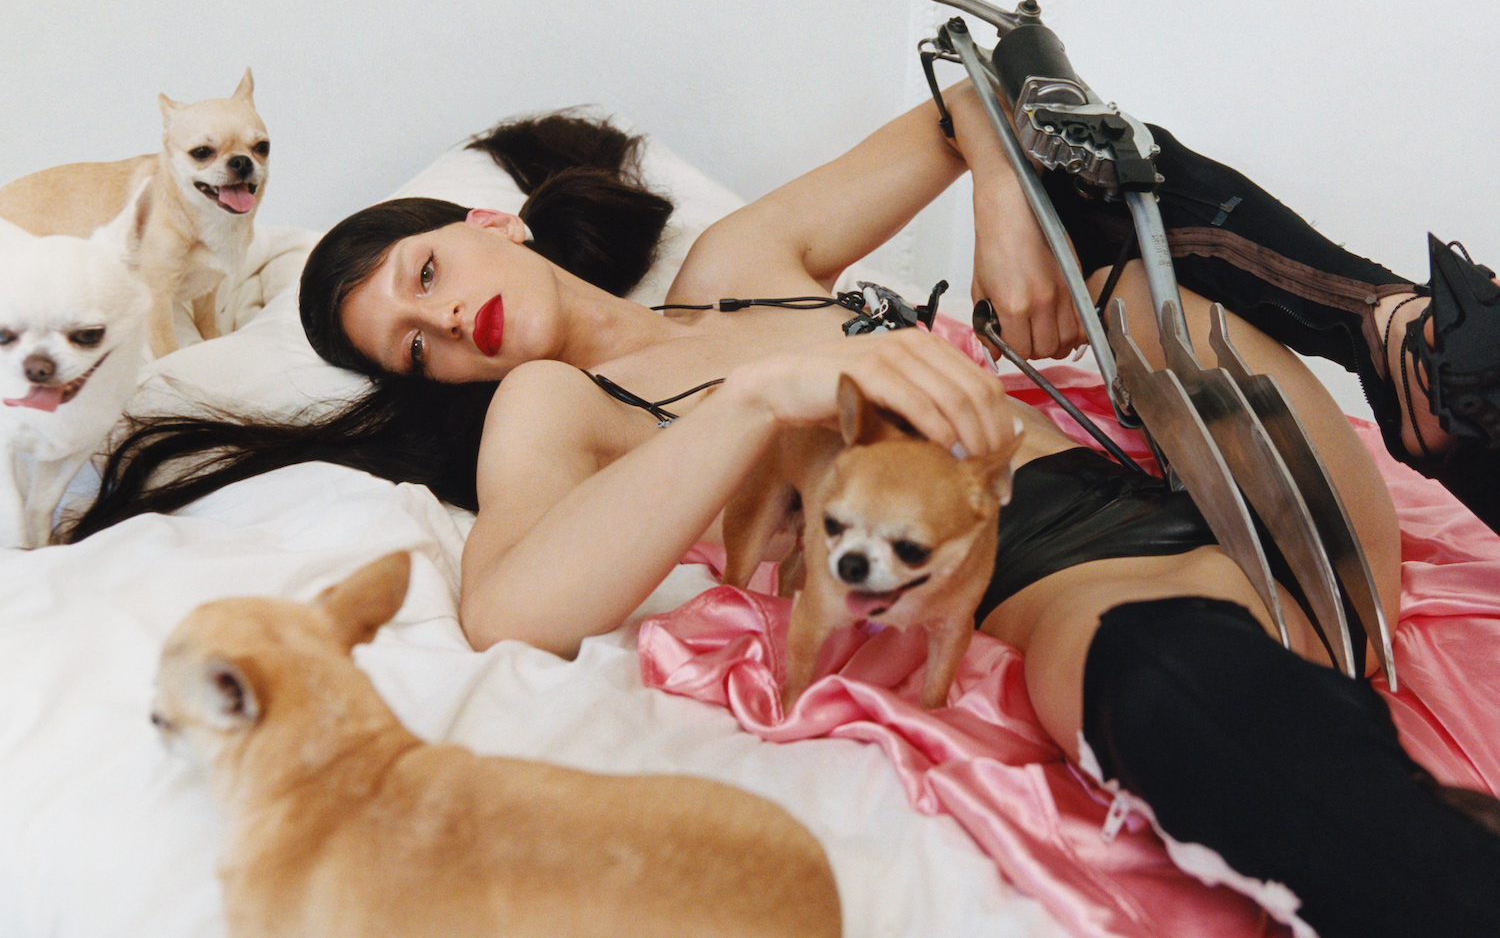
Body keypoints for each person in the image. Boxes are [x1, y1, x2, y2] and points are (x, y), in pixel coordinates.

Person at [68, 92, 1500, 938]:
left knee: (1114, 204)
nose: (447, 327)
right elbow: (508, 609)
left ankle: (1401, 343)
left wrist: (1005, 194)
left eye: (427, 278)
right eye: (416, 349)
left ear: (483, 225)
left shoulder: (745, 262)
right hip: (1065, 565)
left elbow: (971, 97)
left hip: (1221, 458)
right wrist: (762, 398)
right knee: (1176, 688)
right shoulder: (558, 409)